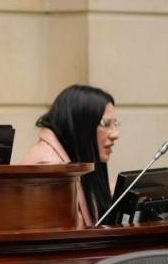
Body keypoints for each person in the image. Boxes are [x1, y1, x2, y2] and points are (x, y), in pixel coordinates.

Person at [18, 85, 120, 227]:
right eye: (106, 124)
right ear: (81, 125)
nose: (115, 134)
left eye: (115, 124)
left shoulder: (74, 158)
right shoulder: (48, 170)